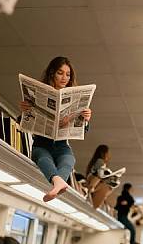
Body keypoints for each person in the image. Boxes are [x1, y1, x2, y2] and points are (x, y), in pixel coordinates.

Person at [20, 56, 92, 202]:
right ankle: (59, 182)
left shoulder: (74, 98)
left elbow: (82, 131)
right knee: (42, 157)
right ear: (52, 73)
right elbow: (22, 124)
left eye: (68, 74)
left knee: (69, 160)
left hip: (61, 145)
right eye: (60, 73)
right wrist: (24, 111)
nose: (64, 77)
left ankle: (57, 183)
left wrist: (86, 119)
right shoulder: (38, 94)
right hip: (41, 144)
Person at [85, 144, 114, 209]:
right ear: (104, 153)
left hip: (93, 186)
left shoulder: (96, 161)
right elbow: (99, 175)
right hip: (95, 187)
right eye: (108, 152)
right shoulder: (100, 161)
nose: (109, 155)